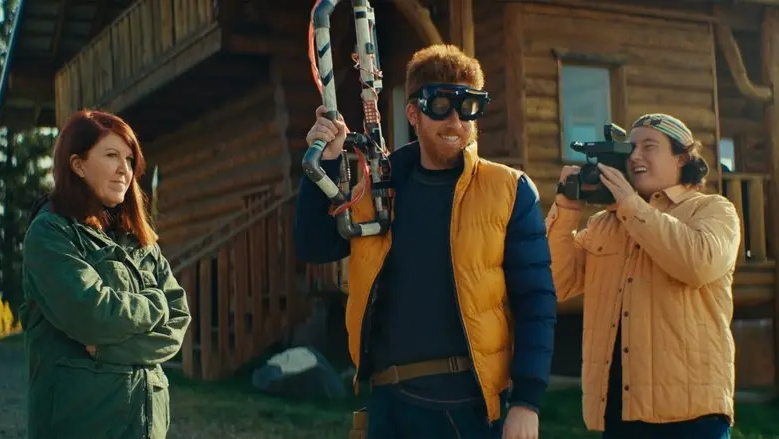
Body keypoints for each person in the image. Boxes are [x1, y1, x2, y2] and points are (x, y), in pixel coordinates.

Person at [295, 44, 557, 439]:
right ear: (413, 113)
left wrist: (526, 402)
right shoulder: (378, 190)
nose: (455, 121)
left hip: (469, 410)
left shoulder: (509, 190)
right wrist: (327, 161)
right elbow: (315, 246)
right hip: (390, 407)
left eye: (468, 107)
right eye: (440, 105)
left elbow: (536, 301)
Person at [546, 113, 740, 439]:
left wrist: (630, 205)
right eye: (631, 148)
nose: (635, 156)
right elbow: (556, 284)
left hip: (693, 416)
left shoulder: (713, 209)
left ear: (682, 158)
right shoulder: (604, 223)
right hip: (618, 411)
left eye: (649, 146)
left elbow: (698, 264)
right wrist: (565, 208)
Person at [20, 110, 192, 439]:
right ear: (78, 165)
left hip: (145, 427)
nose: (124, 170)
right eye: (111, 155)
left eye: (129, 159)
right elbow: (92, 314)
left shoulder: (140, 242)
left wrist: (107, 351)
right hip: (82, 424)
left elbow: (178, 320)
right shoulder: (50, 234)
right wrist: (156, 304)